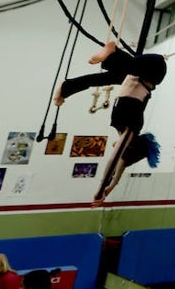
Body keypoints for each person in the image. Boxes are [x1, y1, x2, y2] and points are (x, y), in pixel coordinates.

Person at [53, 43, 163, 203]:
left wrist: (110, 188)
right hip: (154, 68)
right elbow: (114, 161)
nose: (117, 147)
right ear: (131, 146)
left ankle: (66, 87)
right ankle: (113, 52)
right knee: (119, 70)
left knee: (110, 77)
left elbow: (119, 168)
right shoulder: (131, 128)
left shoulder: (126, 131)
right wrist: (100, 191)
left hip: (138, 77)